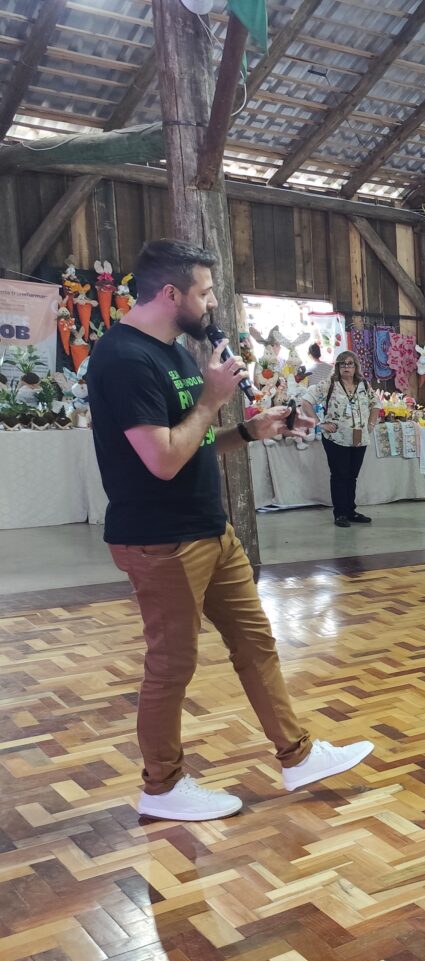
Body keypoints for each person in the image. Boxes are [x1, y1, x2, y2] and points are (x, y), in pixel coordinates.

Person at [89, 238, 371, 821]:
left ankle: (297, 756)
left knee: (256, 642)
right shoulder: (124, 358)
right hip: (161, 539)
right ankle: (162, 786)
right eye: (206, 291)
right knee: (172, 665)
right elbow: (162, 459)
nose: (214, 302)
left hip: (209, 530)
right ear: (171, 293)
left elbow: (190, 444)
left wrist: (247, 431)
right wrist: (213, 400)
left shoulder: (175, 352)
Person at [311, 349, 375, 527]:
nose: (346, 367)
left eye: (350, 364)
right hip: (336, 438)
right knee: (340, 475)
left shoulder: (363, 384)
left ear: (356, 367)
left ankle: (350, 511)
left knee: (352, 476)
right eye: (343, 364)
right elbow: (306, 402)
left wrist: (371, 424)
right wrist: (320, 423)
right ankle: (340, 513)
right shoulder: (329, 384)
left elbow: (375, 403)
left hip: (359, 438)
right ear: (338, 367)